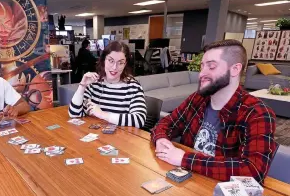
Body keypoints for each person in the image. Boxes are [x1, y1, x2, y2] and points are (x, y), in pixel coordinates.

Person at [151, 40, 278, 183]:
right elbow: (166, 123)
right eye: (202, 66)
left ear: (235, 69)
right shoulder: (197, 99)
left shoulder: (257, 113)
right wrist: (161, 138)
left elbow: (253, 170)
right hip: (186, 183)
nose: (201, 74)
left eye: (211, 66)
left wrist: (184, 159)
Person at [69, 41, 146, 128]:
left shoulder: (133, 87)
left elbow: (139, 120)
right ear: (103, 60)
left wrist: (102, 114)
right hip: (96, 137)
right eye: (111, 61)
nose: (114, 67)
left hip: (121, 139)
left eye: (120, 63)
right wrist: (82, 86)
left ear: (125, 64)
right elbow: (74, 114)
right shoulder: (94, 84)